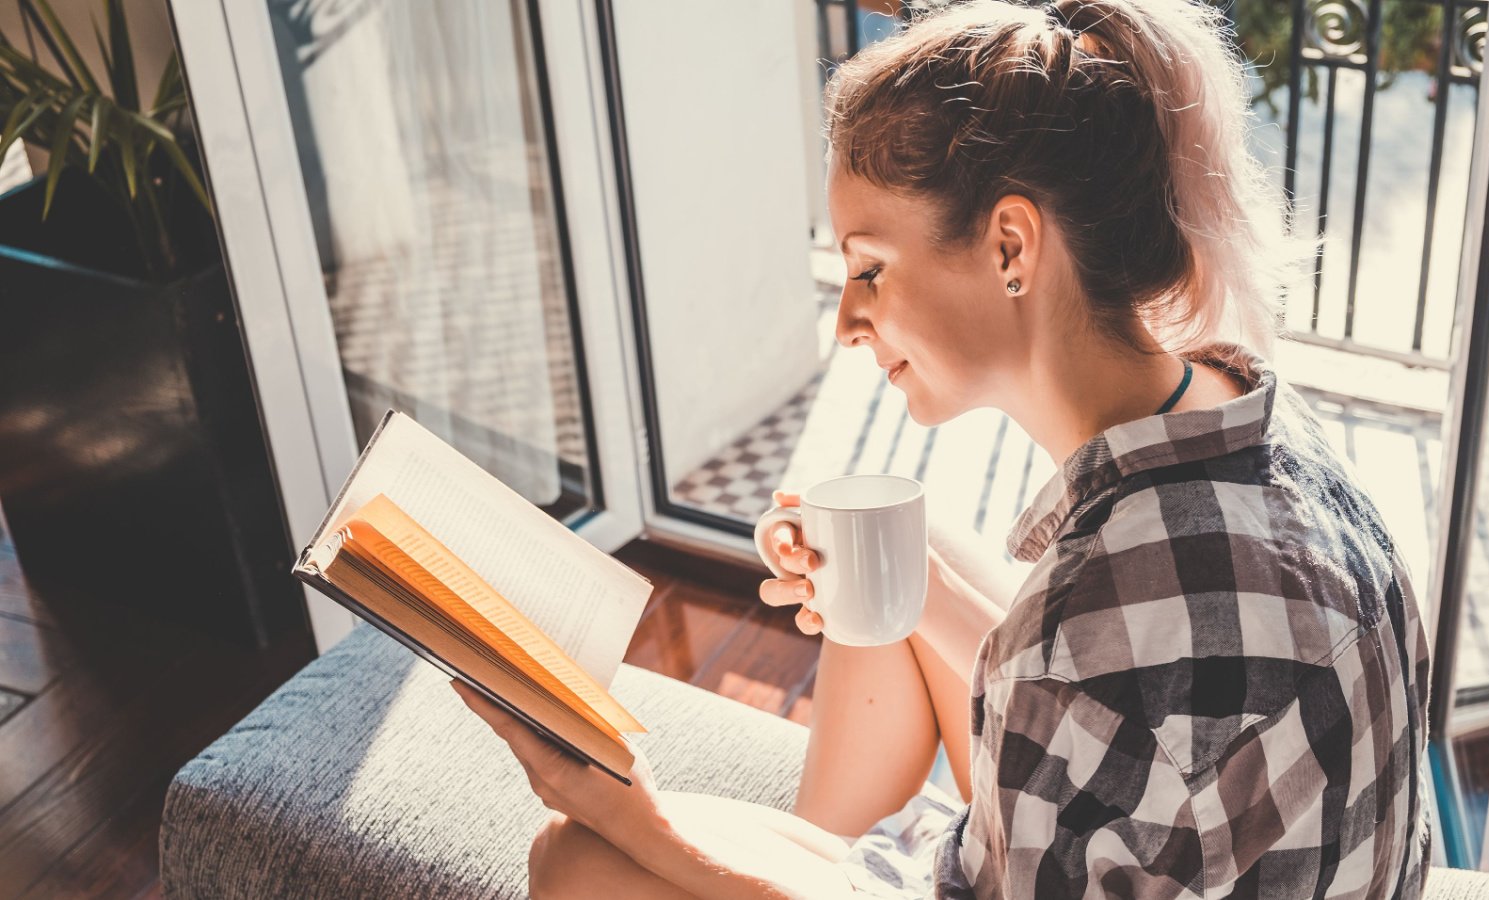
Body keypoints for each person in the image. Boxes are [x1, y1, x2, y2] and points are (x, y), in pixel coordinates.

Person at [449, 0, 1434, 895]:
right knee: (902, 551)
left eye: (870, 268)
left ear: (1011, 247)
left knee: (571, 860)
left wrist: (636, 819)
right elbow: (1103, 700)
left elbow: (1084, 671)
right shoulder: (1249, 409)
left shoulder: (1084, 629)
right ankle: (812, 853)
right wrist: (897, 583)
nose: (846, 322)